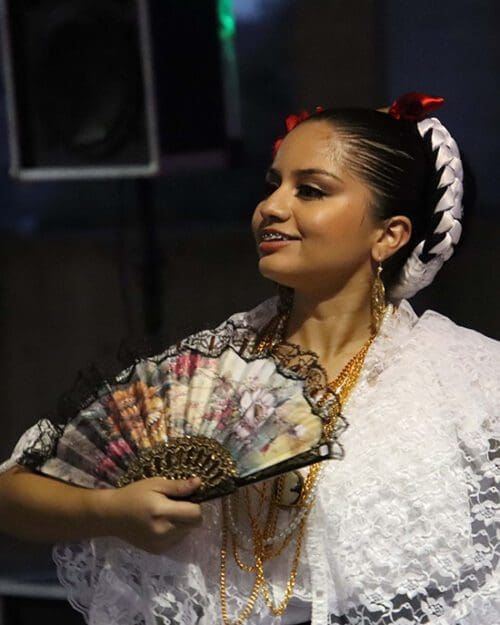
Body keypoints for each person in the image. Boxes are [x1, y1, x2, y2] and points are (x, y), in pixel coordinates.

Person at [0, 93, 498, 625]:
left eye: (309, 190)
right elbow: (14, 489)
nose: (272, 207)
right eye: (273, 184)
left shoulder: (465, 380)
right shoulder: (209, 369)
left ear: (389, 235)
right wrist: (111, 512)